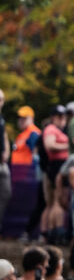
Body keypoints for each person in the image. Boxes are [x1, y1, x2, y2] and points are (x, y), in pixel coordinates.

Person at [39, 106, 70, 241]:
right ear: (53, 117)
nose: (62, 120)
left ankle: (49, 231)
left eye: (63, 117)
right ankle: (53, 231)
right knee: (56, 201)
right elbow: (49, 145)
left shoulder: (58, 130)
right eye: (59, 117)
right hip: (56, 167)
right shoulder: (51, 129)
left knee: (53, 202)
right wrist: (69, 147)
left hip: (58, 167)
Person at [0, 90, 9, 229]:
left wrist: (6, 151)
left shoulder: (1, 118)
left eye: (1, 99)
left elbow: (5, 136)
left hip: (2, 162)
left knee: (6, 192)